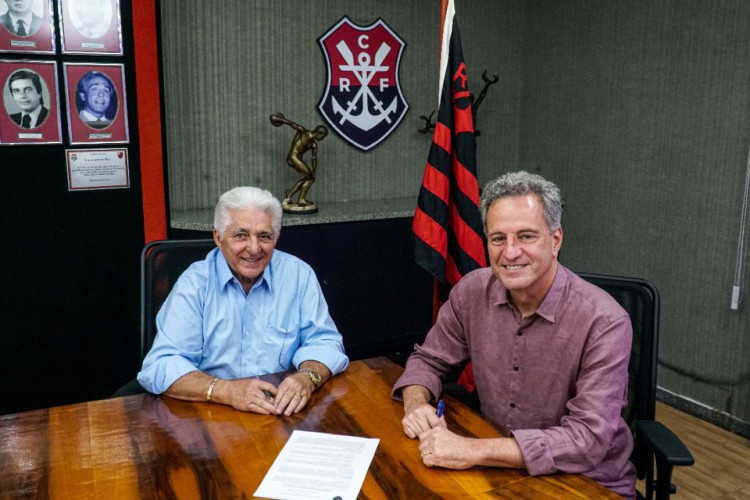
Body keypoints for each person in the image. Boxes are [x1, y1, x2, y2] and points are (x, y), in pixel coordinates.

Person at [392, 171, 636, 498]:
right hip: (498, 470)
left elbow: (586, 441)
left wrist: (473, 450)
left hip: (585, 483)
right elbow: (428, 360)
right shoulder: (472, 292)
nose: (510, 253)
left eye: (526, 236)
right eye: (498, 238)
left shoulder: (605, 321)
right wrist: (416, 402)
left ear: (556, 240)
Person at [138, 186, 349, 416]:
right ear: (218, 237)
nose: (254, 248)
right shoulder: (194, 284)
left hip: (279, 412)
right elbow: (161, 365)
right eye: (241, 235)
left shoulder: (298, 275)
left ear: (276, 238)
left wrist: (307, 377)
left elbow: (325, 341)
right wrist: (226, 391)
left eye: (264, 236)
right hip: (211, 415)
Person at [269, 112, 328, 212]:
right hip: (293, 157)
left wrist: (314, 171)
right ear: (319, 134)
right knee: (310, 178)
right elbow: (292, 124)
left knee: (309, 177)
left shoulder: (314, 145)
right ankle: (301, 200)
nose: (322, 139)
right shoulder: (304, 132)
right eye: (322, 137)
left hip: (296, 159)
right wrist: (278, 119)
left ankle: (290, 193)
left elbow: (314, 158)